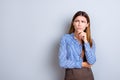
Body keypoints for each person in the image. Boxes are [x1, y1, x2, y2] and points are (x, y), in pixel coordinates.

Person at [58, 11, 96, 80]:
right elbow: (62, 62)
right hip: (71, 76)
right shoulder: (66, 39)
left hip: (88, 77)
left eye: (83, 22)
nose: (79, 24)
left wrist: (85, 41)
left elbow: (91, 61)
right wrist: (83, 64)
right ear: (73, 23)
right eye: (77, 21)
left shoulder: (90, 41)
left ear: (87, 24)